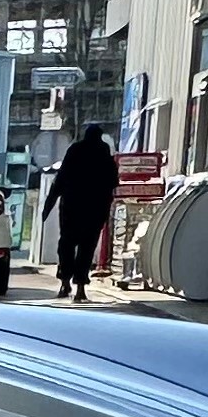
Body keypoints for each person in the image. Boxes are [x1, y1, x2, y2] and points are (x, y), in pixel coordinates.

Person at [47, 124, 121, 301]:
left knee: (67, 244)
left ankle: (65, 283)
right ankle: (80, 288)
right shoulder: (104, 152)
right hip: (94, 209)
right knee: (86, 248)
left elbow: (61, 178)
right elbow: (113, 181)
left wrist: (49, 204)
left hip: (71, 207)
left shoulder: (75, 150)